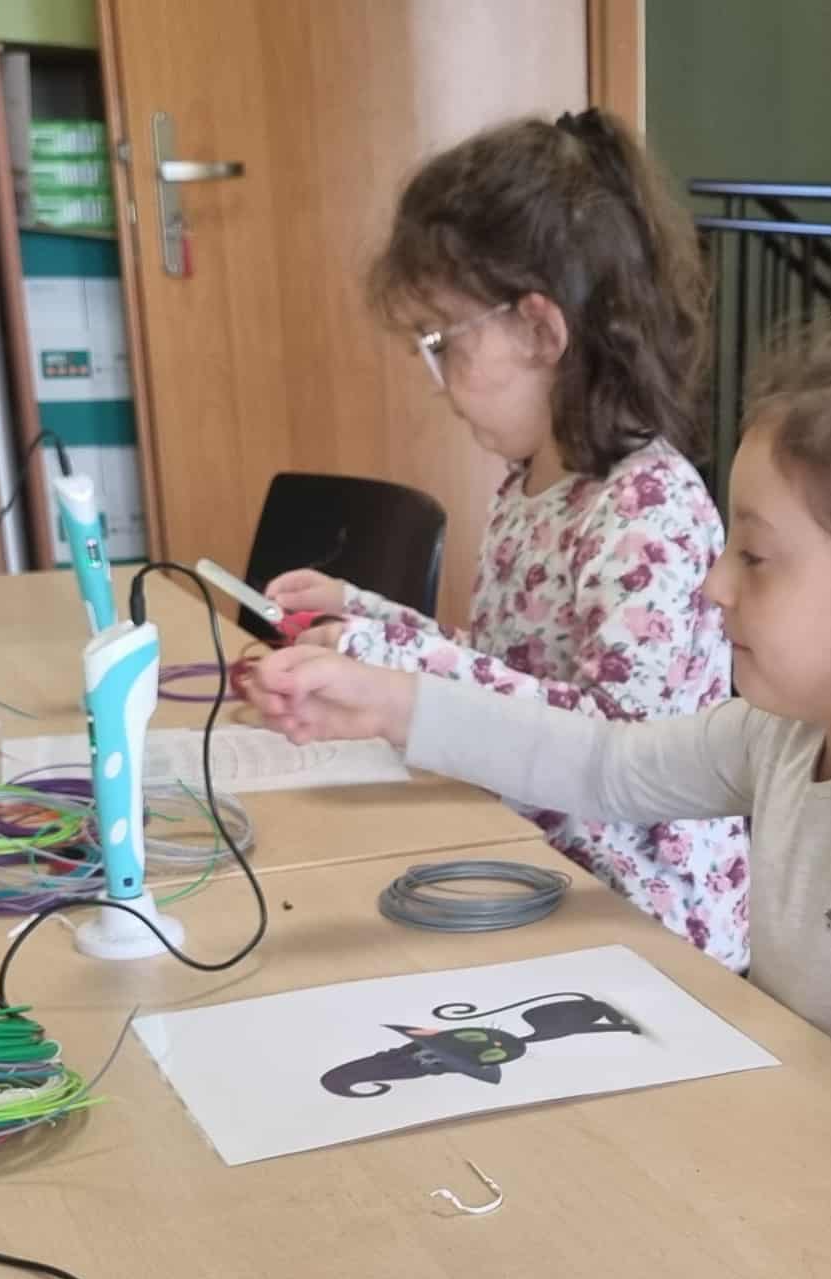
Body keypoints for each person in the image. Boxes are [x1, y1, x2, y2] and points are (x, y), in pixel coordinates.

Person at [246, 320, 831, 1161]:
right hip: (812, 1139)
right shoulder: (786, 734)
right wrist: (390, 703)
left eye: (753, 558)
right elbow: (603, 765)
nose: (714, 587)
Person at [268, 107, 744, 965]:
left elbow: (614, 754)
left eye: (442, 344)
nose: (436, 382)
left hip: (645, 921)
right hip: (532, 868)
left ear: (540, 329)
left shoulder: (647, 510)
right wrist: (366, 614)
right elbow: (506, 675)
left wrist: (389, 665)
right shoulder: (530, 486)